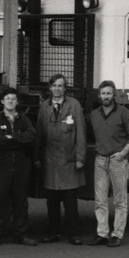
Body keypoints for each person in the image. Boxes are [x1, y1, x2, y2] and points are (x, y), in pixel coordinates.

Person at [88, 80, 129, 248]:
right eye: (103, 93)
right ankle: (102, 233)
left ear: (114, 95)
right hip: (100, 160)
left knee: (120, 200)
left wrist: (123, 153)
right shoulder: (94, 115)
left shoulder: (124, 113)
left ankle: (117, 233)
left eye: (108, 93)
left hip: (117, 160)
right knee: (100, 200)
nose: (106, 96)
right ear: (99, 96)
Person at [34, 73, 86, 245]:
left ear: (65, 88)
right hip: (50, 162)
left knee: (70, 201)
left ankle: (74, 234)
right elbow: (39, 134)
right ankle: (53, 232)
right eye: (54, 85)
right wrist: (37, 157)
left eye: (60, 86)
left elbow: (81, 133)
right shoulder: (44, 107)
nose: (57, 89)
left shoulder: (74, 105)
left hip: (68, 160)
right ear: (50, 88)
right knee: (52, 201)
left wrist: (80, 157)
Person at [0, 87, 37, 247]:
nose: (10, 101)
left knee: (21, 201)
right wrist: (19, 139)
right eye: (7, 98)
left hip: (21, 165)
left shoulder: (23, 118)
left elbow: (32, 135)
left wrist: (12, 137)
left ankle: (21, 234)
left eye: (13, 99)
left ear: (17, 102)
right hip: (2, 166)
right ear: (2, 101)